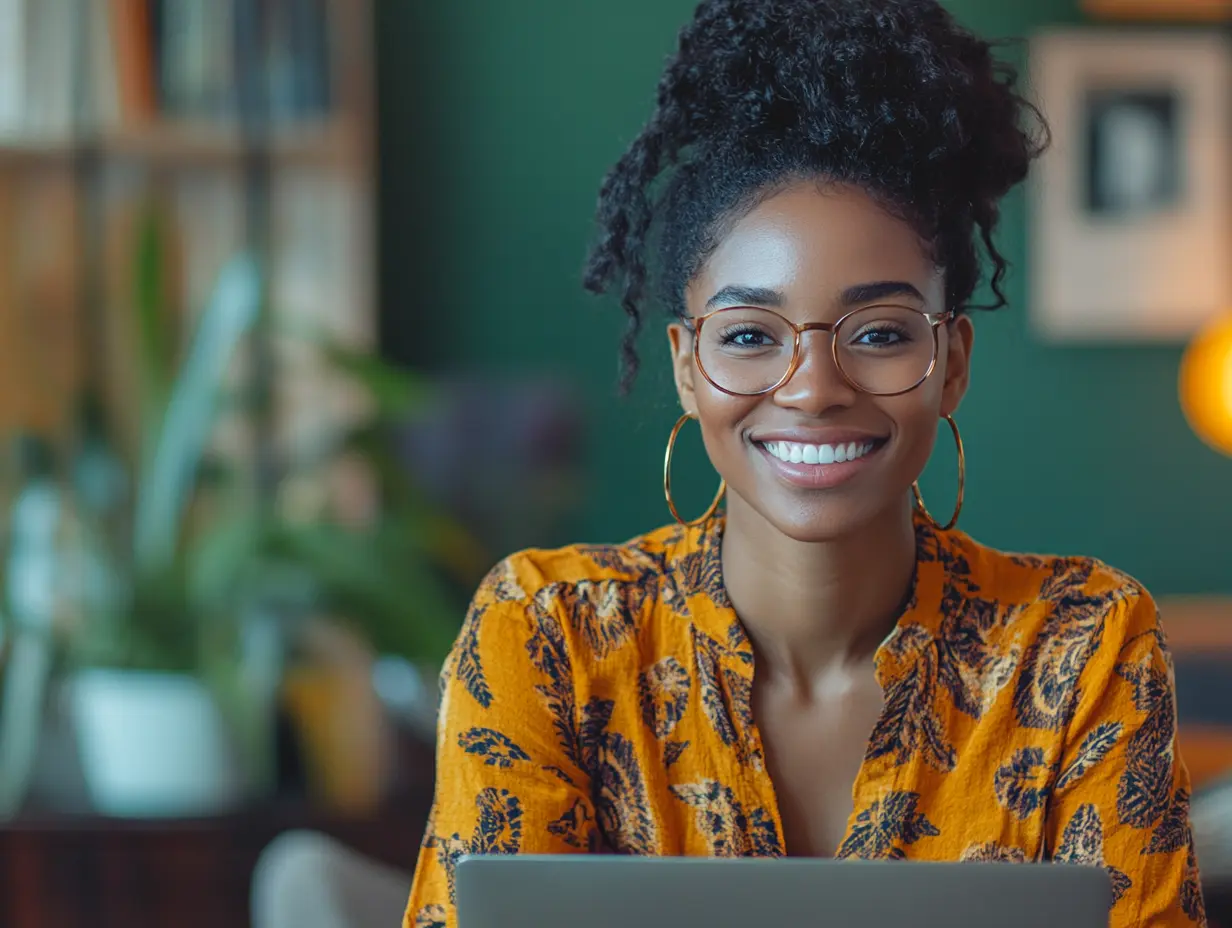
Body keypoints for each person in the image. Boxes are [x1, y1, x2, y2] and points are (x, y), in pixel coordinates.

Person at [404, 2, 1206, 926]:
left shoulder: (1083, 650)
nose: (814, 386)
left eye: (878, 332)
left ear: (951, 363)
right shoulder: (548, 640)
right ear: (686, 367)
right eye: (749, 334)